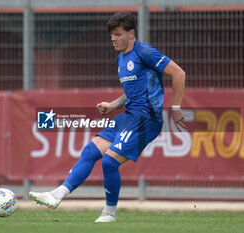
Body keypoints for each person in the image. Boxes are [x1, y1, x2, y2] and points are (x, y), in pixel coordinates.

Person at [29, 11, 186, 222]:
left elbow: (178, 73)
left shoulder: (145, 52)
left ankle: (109, 213)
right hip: (128, 116)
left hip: (145, 120)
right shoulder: (121, 59)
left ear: (131, 34)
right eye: (111, 34)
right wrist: (113, 105)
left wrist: (176, 106)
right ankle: (56, 196)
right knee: (90, 151)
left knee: (110, 162)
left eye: (118, 34)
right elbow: (134, 90)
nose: (113, 38)